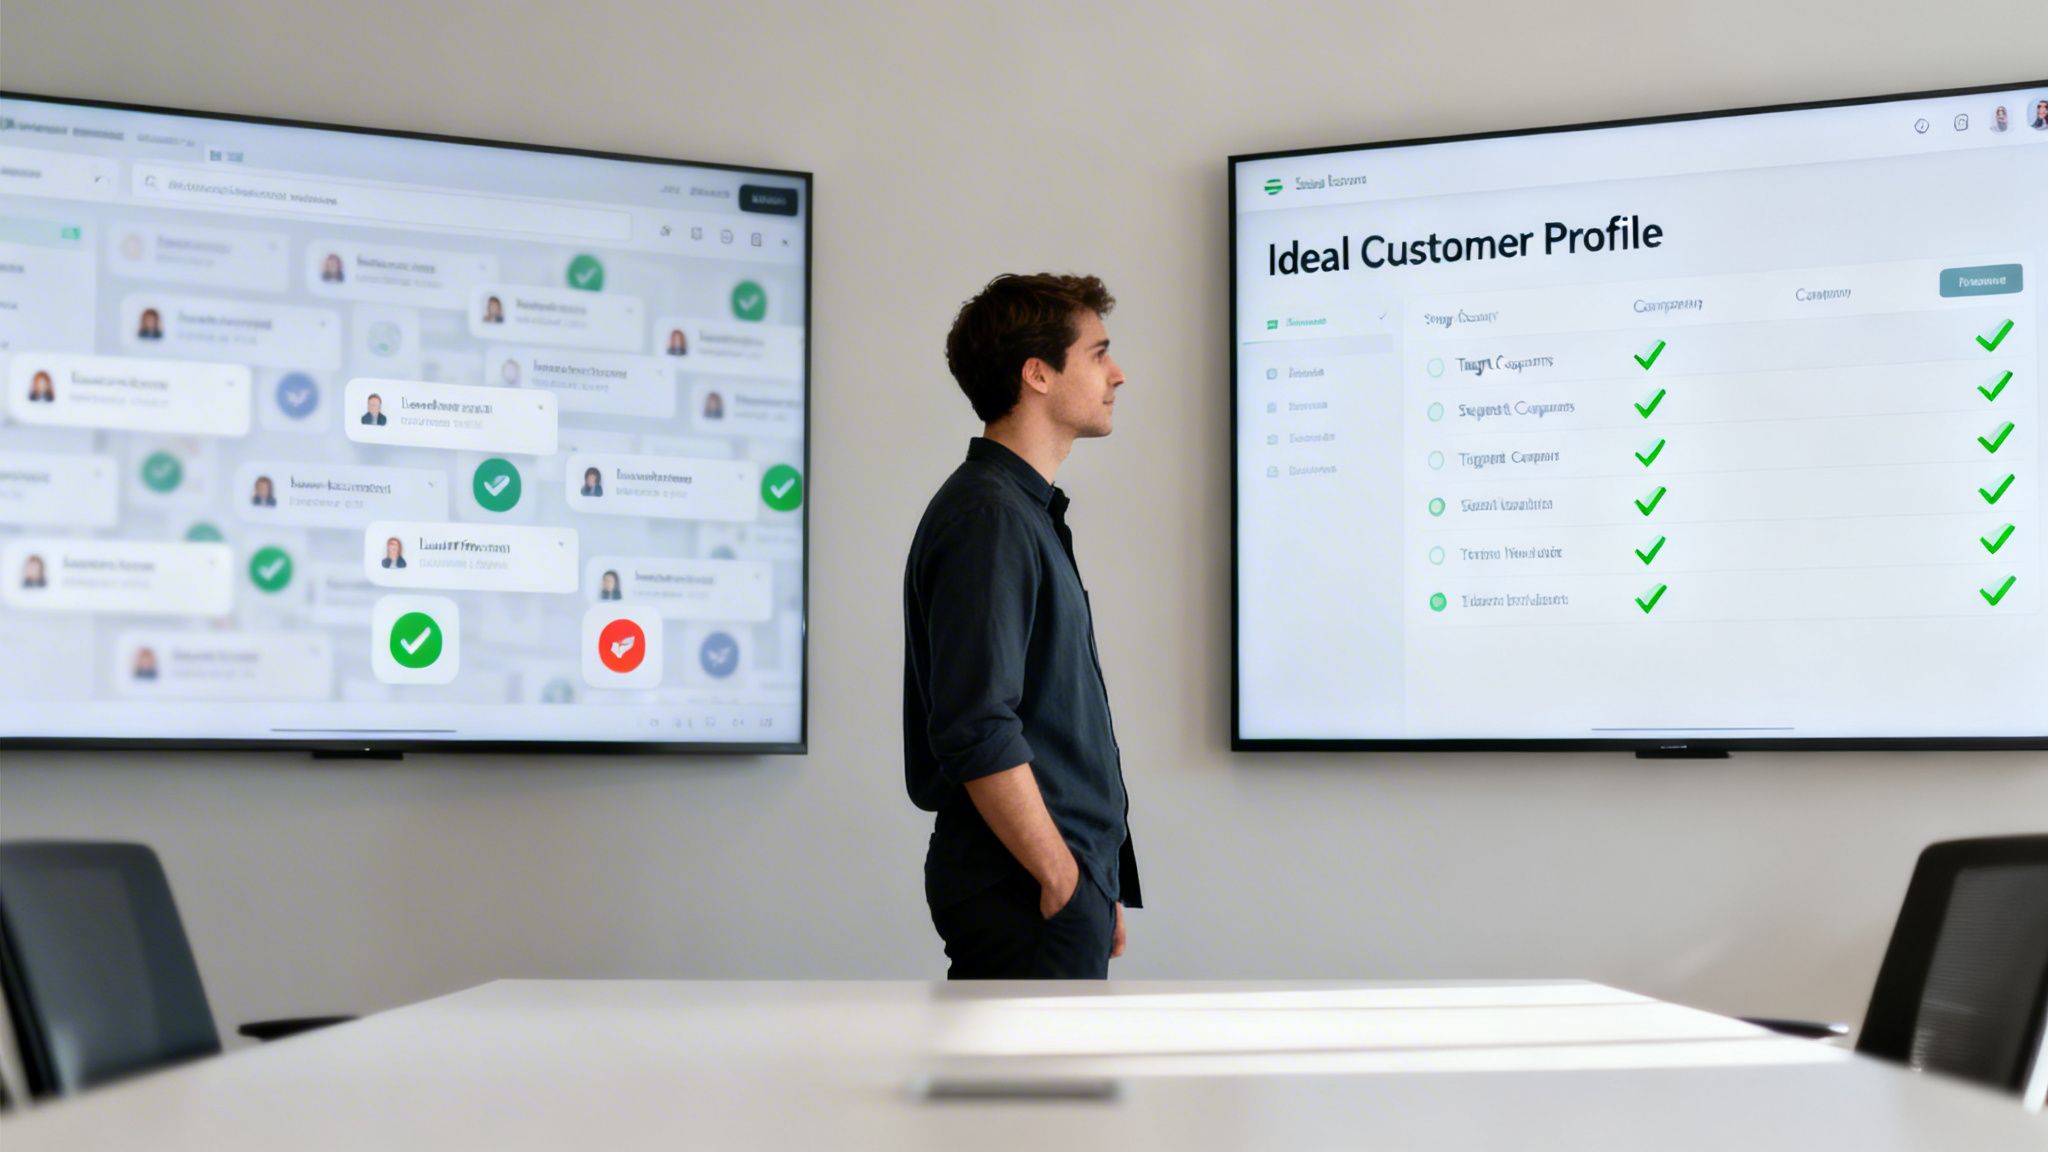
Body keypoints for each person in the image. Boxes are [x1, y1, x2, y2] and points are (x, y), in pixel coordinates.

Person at [902, 273, 1140, 980]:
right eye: (1098, 353)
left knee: (1044, 1091)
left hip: (1047, 879)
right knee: (1034, 1094)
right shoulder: (992, 518)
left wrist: (1091, 875)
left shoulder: (1019, 512)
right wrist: (1061, 874)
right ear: (1037, 373)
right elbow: (977, 724)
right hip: (1024, 883)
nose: (1118, 373)